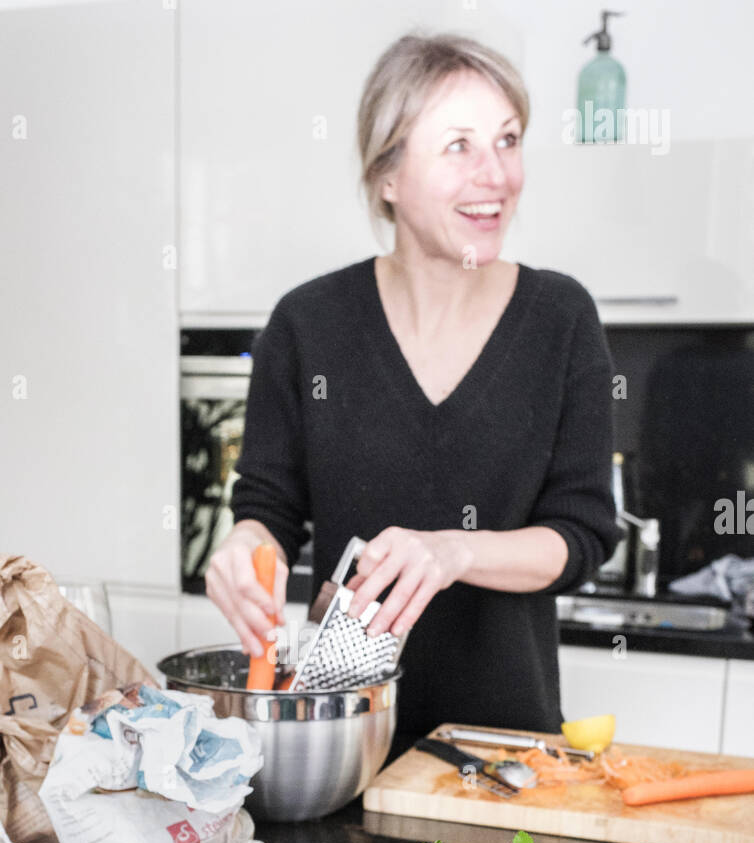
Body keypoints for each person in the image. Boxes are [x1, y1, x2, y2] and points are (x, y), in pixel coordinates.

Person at [205, 31, 619, 749]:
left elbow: (581, 535)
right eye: (458, 146)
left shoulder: (561, 319)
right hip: (338, 751)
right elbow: (267, 508)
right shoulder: (307, 324)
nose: (496, 174)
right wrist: (243, 547)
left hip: (503, 756)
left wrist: (456, 552)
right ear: (387, 176)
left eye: (508, 139)